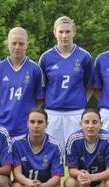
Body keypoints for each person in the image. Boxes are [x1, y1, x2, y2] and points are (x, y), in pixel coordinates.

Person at [39, 16, 93, 152]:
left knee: (75, 154)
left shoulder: (84, 57)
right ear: (54, 33)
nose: (64, 35)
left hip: (76, 113)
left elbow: (90, 85)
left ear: (74, 32)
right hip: (52, 113)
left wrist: (80, 101)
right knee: (51, 154)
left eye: (68, 32)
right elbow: (41, 87)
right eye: (61, 32)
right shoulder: (46, 58)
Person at [10, 108, 63, 187]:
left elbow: (57, 177)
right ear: (27, 123)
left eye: (40, 122)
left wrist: (42, 186)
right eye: (32, 122)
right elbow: (16, 173)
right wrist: (29, 183)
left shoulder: (54, 145)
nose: (36, 126)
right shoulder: (17, 143)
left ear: (46, 124)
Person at [0, 27, 44, 138]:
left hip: (25, 129)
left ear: (27, 45)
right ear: (7, 44)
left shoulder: (35, 69)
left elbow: (39, 100)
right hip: (2, 127)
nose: (17, 47)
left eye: (21, 44)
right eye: (13, 43)